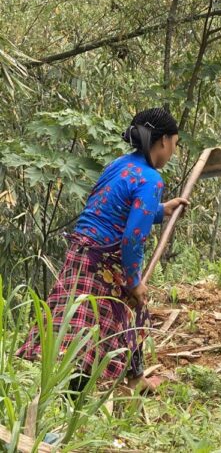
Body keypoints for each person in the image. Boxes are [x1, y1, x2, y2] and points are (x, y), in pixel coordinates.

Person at [18, 108, 188, 393]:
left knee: (92, 322)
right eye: (176, 143)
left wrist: (161, 211)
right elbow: (133, 239)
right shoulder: (151, 179)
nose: (173, 150)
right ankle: (75, 397)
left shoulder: (120, 164)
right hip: (104, 261)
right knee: (111, 321)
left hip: (81, 250)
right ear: (164, 141)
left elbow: (113, 208)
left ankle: (134, 379)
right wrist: (134, 281)